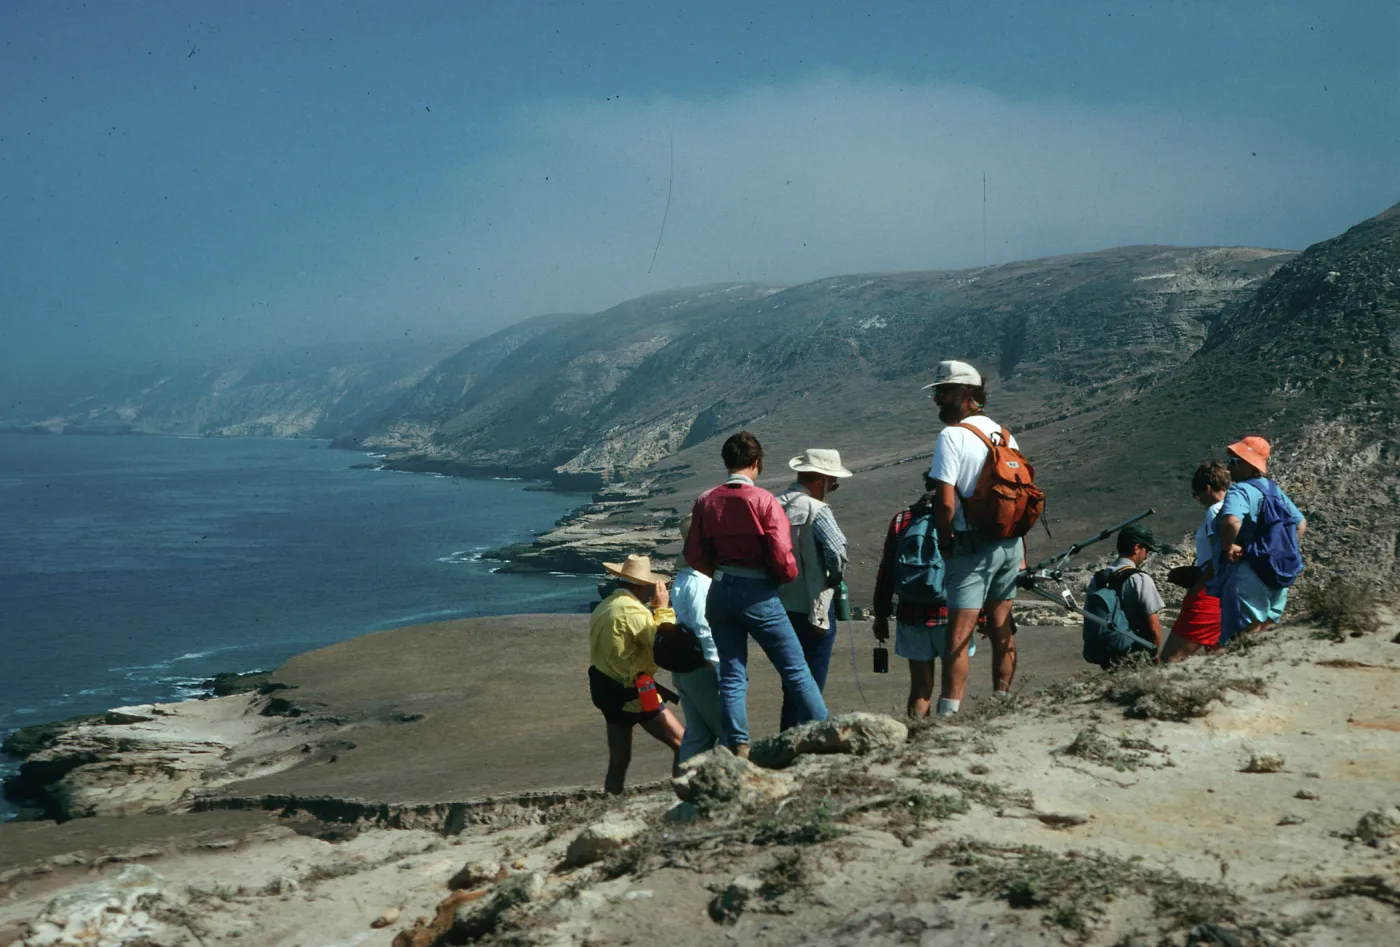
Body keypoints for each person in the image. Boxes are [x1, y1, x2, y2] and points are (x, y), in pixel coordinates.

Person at [683, 431, 828, 758]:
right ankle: (825, 730)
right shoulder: (764, 501)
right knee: (795, 669)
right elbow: (783, 556)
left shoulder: (705, 501)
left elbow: (692, 553)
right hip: (757, 592)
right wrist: (779, 578)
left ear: (726, 462)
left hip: (720, 591)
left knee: (732, 673)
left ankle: (739, 747)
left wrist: (719, 574)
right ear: (757, 463)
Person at [925, 360, 1021, 716]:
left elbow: (945, 503)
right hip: (1010, 544)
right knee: (1001, 627)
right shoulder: (1005, 435)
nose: (937, 400)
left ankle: (947, 718)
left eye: (943, 392)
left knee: (959, 634)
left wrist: (946, 544)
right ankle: (1003, 703)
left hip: (971, 547)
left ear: (966, 394)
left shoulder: (951, 436)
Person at [873, 474, 981, 718]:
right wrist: (982, 615)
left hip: (912, 614)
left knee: (920, 688)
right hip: (954, 614)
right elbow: (975, 569)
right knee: (952, 686)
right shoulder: (962, 517)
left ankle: (917, 736)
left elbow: (886, 571)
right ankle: (944, 736)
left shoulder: (903, 519)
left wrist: (881, 615)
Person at [588, 554, 685, 793]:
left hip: (607, 692)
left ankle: (610, 805)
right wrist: (662, 609)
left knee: (619, 759)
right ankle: (685, 798)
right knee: (685, 744)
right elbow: (664, 644)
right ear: (643, 585)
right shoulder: (633, 612)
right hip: (635, 695)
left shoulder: (606, 605)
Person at [774, 448, 852, 730]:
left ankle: (786, 739)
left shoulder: (773, 503)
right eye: (833, 481)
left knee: (790, 681)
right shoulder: (817, 510)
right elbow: (836, 552)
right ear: (821, 478)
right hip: (811, 606)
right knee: (811, 682)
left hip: (778, 606)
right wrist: (833, 579)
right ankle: (805, 741)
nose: (834, 487)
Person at [1214, 436, 1307, 645]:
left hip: (1250, 569)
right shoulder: (1274, 490)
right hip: (1277, 570)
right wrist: (1280, 549)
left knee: (1248, 629)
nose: (1230, 467)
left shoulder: (1240, 491)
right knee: (1267, 629)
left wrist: (1228, 548)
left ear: (1249, 464)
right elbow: (1300, 524)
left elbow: (1231, 522)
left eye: (1235, 461)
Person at [1160, 462, 1230, 662]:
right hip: (1229, 592)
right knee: (1217, 655)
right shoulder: (1237, 506)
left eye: (1197, 495)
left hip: (1209, 592)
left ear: (1208, 488)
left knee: (1171, 658)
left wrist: (1197, 586)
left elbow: (1219, 555)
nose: (1198, 500)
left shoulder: (1215, 510)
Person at [669, 514, 724, 763]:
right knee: (728, 731)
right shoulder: (700, 582)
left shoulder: (684, 578)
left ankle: (688, 786)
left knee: (698, 735)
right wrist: (718, 668)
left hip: (685, 665)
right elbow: (705, 627)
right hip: (703, 667)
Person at [1083, 523, 1166, 666]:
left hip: (1104, 652)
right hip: (1132, 652)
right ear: (1136, 548)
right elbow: (1154, 626)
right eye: (1146, 550)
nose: (1146, 556)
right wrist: (1156, 661)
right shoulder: (1140, 579)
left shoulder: (1098, 578)